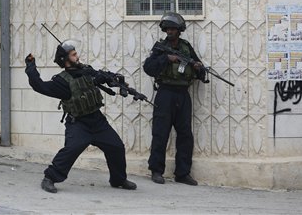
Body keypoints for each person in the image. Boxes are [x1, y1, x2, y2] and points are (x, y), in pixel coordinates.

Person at [24, 40, 137, 193]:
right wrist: (31, 66)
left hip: (97, 121)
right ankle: (49, 178)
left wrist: (115, 79)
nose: (78, 57)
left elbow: (101, 76)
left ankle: (118, 179)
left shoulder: (86, 71)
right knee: (71, 149)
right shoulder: (61, 81)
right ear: (65, 60)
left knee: (116, 147)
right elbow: (39, 85)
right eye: (74, 54)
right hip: (78, 124)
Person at [143, 11, 207, 186]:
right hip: (165, 93)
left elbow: (200, 72)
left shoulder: (186, 48)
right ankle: (156, 170)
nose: (170, 31)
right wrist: (166, 59)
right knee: (160, 133)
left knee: (185, 135)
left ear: (179, 30)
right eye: (167, 29)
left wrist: (198, 67)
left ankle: (183, 173)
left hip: (182, 95)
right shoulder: (160, 48)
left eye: (173, 29)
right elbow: (148, 68)